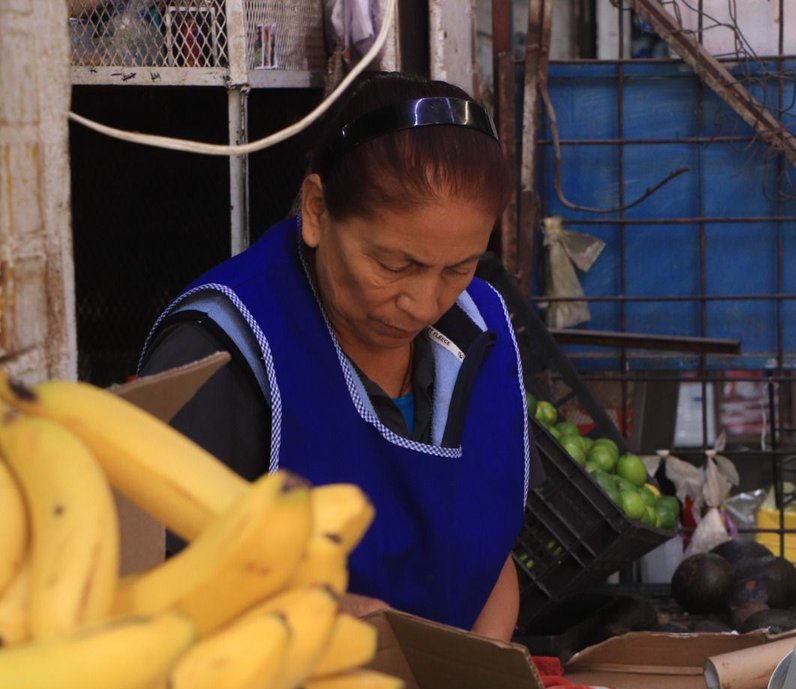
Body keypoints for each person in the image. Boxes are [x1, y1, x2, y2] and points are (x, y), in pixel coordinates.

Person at [139, 71, 528, 640]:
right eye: (395, 266)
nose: (423, 303)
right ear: (318, 210)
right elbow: (154, 586)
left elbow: (491, 557)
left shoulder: (482, 328)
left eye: (458, 269)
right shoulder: (222, 347)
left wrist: (478, 677)